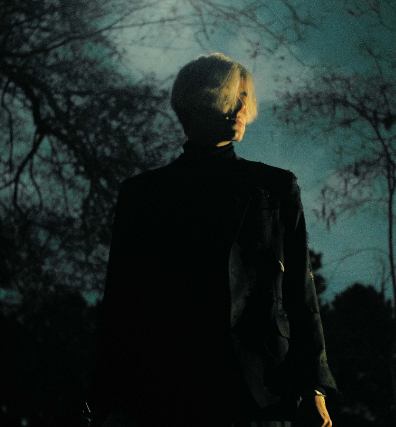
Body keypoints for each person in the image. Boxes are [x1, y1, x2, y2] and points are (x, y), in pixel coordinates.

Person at [88, 53, 338, 427]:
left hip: (261, 390)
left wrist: (314, 386)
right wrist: (113, 402)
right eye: (229, 96)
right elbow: (123, 302)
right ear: (196, 100)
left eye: (244, 97)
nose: (240, 109)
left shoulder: (275, 187)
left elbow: (299, 292)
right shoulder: (144, 195)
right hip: (166, 390)